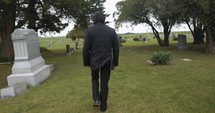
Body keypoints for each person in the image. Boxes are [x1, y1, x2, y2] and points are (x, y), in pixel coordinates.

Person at [83, 11, 119, 112]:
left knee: (94, 79)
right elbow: (116, 48)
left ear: (95, 20)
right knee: (104, 82)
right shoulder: (111, 31)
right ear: (104, 19)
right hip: (107, 60)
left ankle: (96, 99)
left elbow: (86, 48)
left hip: (94, 60)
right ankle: (103, 105)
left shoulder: (90, 31)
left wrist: (86, 62)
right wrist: (115, 62)